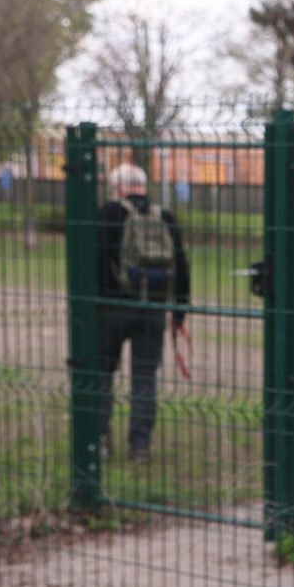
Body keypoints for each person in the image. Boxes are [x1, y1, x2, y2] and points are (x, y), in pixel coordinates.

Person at [97, 163, 190, 460]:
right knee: (145, 377)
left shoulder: (108, 214)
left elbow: (95, 260)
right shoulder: (164, 216)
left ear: (117, 188)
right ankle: (140, 446)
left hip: (111, 309)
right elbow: (181, 265)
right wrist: (179, 311)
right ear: (144, 186)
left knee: (101, 374)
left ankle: (100, 439)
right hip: (152, 309)